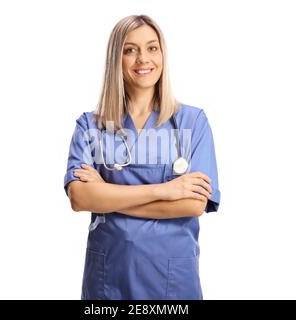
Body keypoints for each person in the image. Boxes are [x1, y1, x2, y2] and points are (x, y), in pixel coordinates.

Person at [63, 14, 221, 300]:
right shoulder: (90, 126)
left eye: (152, 48)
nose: (142, 59)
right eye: (130, 49)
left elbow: (193, 203)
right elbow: (80, 198)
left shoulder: (191, 122)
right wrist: (165, 190)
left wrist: (107, 196)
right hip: (109, 281)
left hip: (171, 284)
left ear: (162, 55)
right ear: (116, 58)